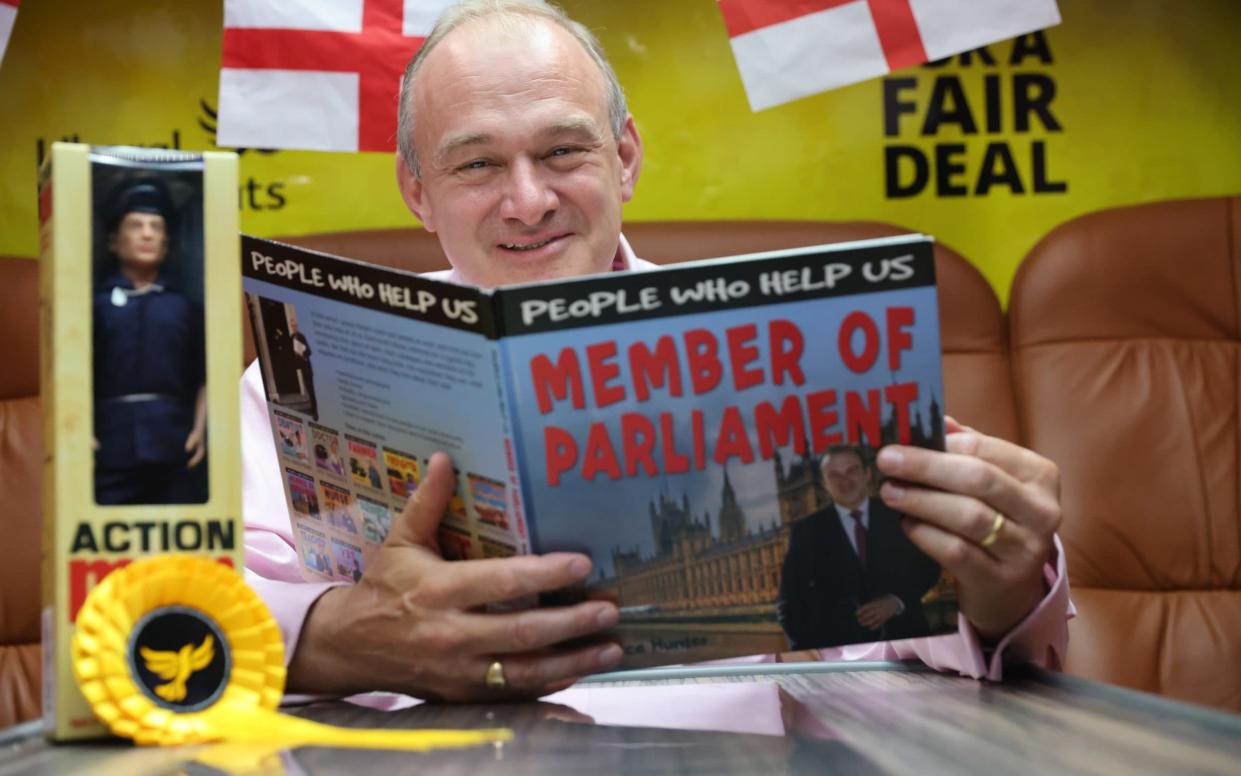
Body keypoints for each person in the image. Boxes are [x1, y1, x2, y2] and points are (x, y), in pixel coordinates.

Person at [243, 0, 1071, 703]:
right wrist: (330, 636)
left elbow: (907, 641)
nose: (527, 202)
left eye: (563, 151)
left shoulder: (786, 355)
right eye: (477, 164)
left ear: (625, 157)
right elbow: (168, 617)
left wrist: (1000, 589)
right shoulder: (300, 374)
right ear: (417, 191)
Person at [94, 180, 208, 505]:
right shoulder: (96, 307)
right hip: (109, 443)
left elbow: (204, 376)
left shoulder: (183, 307)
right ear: (115, 241)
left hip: (174, 442)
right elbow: (76, 373)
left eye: (156, 227)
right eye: (135, 225)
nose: (146, 234)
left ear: (166, 242)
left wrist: (200, 430)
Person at [778, 445, 942, 649]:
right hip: (840, 661)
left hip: (909, 647)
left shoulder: (900, 514)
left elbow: (930, 565)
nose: (845, 481)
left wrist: (896, 600)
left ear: (867, 474)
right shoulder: (805, 531)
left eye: (852, 471)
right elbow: (789, 604)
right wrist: (809, 658)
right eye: (834, 475)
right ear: (824, 485)